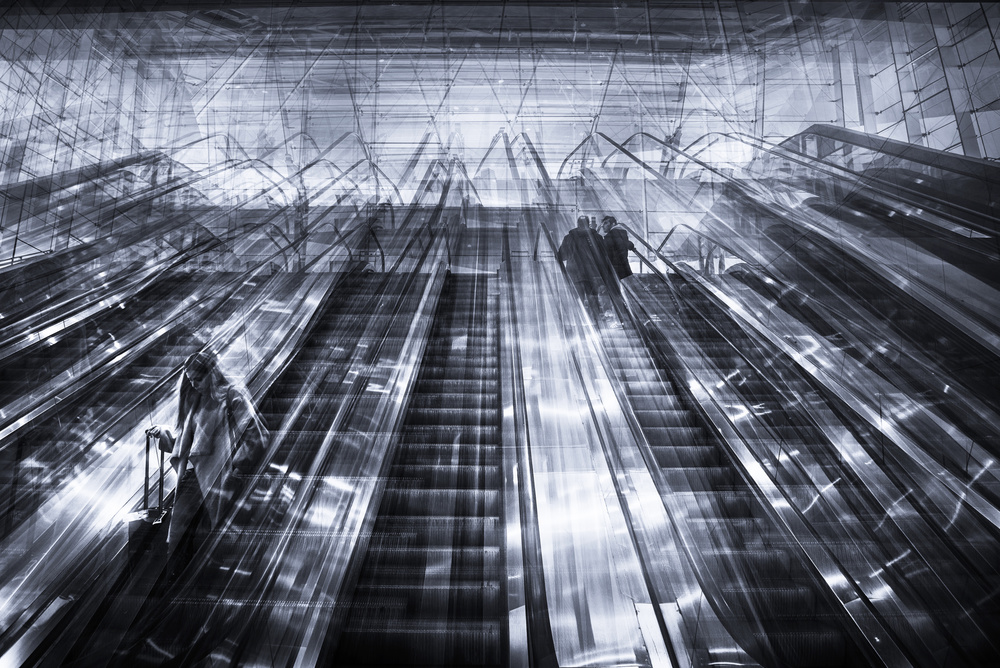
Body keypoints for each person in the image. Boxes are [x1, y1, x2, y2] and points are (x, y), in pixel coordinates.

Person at [148, 350, 266, 572]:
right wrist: (164, 433)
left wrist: (237, 469)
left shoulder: (232, 395)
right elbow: (188, 441)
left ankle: (209, 578)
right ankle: (179, 583)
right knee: (177, 537)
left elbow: (255, 435)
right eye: (190, 380)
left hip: (219, 477)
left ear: (212, 373)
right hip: (193, 478)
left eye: (198, 379)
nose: (194, 385)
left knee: (211, 536)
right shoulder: (194, 401)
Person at [558, 215, 616, 318]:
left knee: (577, 301)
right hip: (592, 275)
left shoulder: (569, 238)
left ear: (577, 224)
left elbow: (562, 256)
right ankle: (596, 325)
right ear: (588, 224)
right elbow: (603, 258)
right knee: (593, 300)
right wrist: (605, 276)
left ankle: (578, 325)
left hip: (575, 275)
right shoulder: (597, 238)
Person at [601, 215, 636, 280]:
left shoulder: (611, 235)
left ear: (613, 224)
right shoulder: (622, 234)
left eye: (605, 223)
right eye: (602, 224)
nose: (602, 226)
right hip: (624, 269)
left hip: (614, 270)